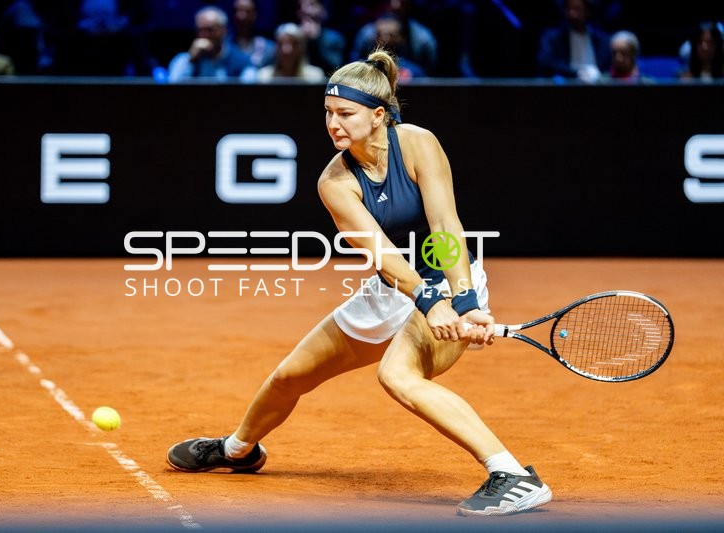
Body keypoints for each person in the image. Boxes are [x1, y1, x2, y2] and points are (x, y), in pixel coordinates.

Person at [166, 48, 553, 517]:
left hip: (451, 277)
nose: (334, 123)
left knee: (397, 375)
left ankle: (510, 474)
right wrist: (428, 300)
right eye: (328, 112)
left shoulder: (418, 143)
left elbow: (446, 226)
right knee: (290, 375)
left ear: (378, 115)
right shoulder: (335, 182)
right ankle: (237, 450)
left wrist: (464, 299)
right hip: (395, 288)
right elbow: (385, 257)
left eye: (345, 113)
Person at [167, 5, 255, 82]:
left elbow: (249, 93)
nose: (203, 35)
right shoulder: (183, 60)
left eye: (209, 30)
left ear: (224, 31)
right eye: (199, 30)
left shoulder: (241, 61)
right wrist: (190, 60)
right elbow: (171, 89)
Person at [350, 0, 438, 76]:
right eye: (380, 35)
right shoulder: (366, 34)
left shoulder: (423, 38)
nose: (386, 39)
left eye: (392, 35)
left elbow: (427, 76)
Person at [536, 0, 611, 82]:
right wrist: (577, 73)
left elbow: (607, 67)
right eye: (569, 9)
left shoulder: (601, 39)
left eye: (577, 9)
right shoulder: (553, 38)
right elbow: (546, 61)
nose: (572, 14)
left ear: (587, 11)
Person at [256, 23, 325, 82]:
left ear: (302, 48)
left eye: (294, 44)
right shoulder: (264, 77)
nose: (287, 50)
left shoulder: (315, 77)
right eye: (281, 44)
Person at [296, 0, 346, 75]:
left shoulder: (335, 38)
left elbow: (336, 68)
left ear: (322, 10)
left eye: (311, 5)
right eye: (300, 6)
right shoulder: (293, 37)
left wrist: (315, 39)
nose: (304, 9)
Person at [232, 0, 276, 69]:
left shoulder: (269, 49)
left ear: (255, 14)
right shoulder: (224, 47)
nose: (242, 16)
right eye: (238, 11)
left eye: (247, 11)